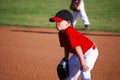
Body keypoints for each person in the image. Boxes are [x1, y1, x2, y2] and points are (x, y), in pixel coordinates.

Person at [49, 9, 98, 80]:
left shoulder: (70, 32)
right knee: (69, 76)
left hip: (89, 52)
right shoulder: (61, 33)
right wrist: (66, 59)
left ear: (68, 23)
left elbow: (77, 47)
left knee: (84, 71)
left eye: (59, 21)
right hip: (78, 53)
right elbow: (66, 46)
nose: (57, 23)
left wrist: (83, 63)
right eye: (56, 21)